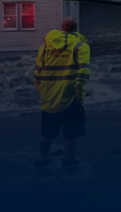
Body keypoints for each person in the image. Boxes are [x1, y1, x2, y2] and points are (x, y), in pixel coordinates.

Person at [33, 17, 91, 168]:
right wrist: (80, 95)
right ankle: (69, 163)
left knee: (46, 135)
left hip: (48, 97)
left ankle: (41, 161)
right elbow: (83, 74)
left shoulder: (46, 45)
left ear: (62, 27)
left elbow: (37, 72)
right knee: (70, 136)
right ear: (76, 28)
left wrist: (42, 92)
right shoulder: (81, 46)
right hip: (70, 98)